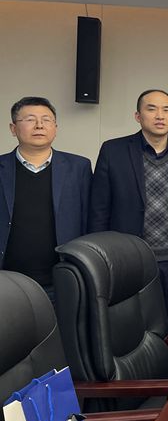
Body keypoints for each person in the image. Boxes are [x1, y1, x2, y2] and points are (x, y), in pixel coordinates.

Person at [89, 89, 168, 342]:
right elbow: (99, 209)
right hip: (126, 260)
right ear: (138, 116)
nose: (159, 116)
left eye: (166, 110)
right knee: (126, 330)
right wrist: (100, 259)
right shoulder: (113, 150)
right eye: (151, 109)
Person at [0, 97, 92, 302]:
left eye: (46, 120)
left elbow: (89, 220)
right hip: (6, 281)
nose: (39, 125)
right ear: (13, 128)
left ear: (55, 128)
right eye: (30, 119)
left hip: (63, 279)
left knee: (62, 324)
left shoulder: (79, 168)